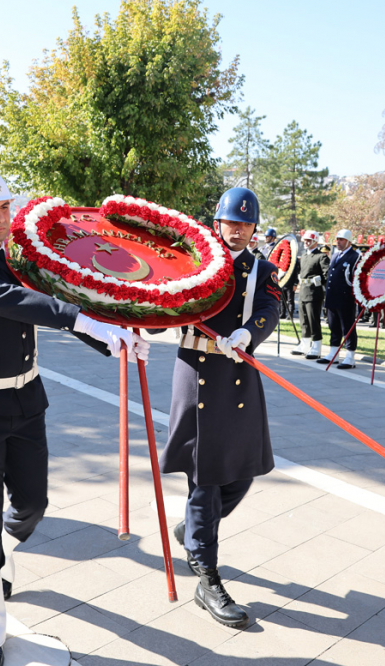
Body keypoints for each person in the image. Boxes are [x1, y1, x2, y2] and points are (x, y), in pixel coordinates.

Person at [0, 170, 146, 666]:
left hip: (27, 400)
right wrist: (77, 317)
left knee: (33, 503)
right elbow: (19, 302)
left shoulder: (20, 260)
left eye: (4, 207)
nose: (0, 217)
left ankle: (4, 552)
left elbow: (61, 298)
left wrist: (112, 337)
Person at [161, 186, 280, 631]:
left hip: (239, 370)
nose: (238, 230)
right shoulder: (194, 261)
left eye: (245, 224)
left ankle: (193, 531)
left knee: (243, 471)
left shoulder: (262, 269)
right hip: (197, 373)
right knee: (205, 477)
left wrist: (250, 334)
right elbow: (165, 296)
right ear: (218, 224)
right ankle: (207, 577)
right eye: (232, 223)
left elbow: (270, 307)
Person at [318, 229, 359, 369]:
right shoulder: (335, 255)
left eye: (341, 239)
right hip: (332, 296)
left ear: (348, 241)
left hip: (345, 298)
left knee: (348, 327)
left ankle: (350, 356)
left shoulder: (355, 256)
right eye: (337, 239)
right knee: (333, 325)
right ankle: (333, 353)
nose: (338, 242)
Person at [292, 230, 329, 359]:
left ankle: (316, 346)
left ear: (315, 241)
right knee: (304, 321)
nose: (306, 243)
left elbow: (327, 275)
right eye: (305, 240)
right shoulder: (305, 256)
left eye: (308, 240)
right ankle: (305, 344)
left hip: (314, 292)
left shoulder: (321, 256)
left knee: (313, 320)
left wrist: (319, 282)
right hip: (303, 292)